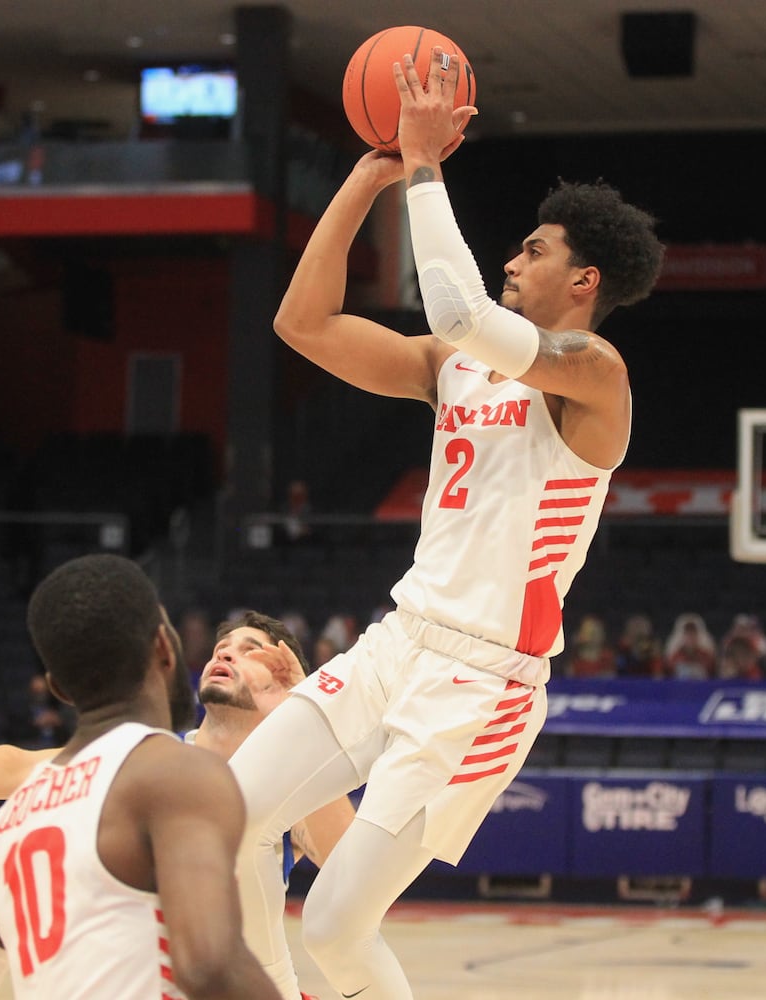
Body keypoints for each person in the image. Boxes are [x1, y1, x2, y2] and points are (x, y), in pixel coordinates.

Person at [230, 49, 664, 1000]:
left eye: (535, 251)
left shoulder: (596, 376)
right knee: (224, 821)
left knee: (339, 929)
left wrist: (427, 166)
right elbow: (302, 324)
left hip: (483, 683)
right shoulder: (453, 366)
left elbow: (463, 312)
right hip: (400, 641)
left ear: (584, 280)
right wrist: (370, 174)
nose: (513, 259)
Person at [0, 554, 283, 1000]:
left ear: (58, 688)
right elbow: (208, 966)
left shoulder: (3, 832)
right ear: (163, 647)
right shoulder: (178, 773)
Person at [0, 610, 356, 881]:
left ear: (283, 673)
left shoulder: (291, 785)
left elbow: (349, 868)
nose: (225, 652)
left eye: (250, 648)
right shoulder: (150, 755)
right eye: (223, 646)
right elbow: (29, 767)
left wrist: (300, 719)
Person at [663, 612, 716, 680]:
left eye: (693, 633)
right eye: (687, 634)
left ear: (698, 635)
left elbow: (712, 677)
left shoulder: (707, 657)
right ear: (682, 636)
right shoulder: (674, 658)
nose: (690, 637)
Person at [614, 613, 664, 679]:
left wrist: (656, 659)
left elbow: (659, 681)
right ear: (627, 634)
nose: (639, 631)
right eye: (636, 627)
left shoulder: (654, 654)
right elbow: (612, 678)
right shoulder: (620, 651)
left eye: (642, 627)